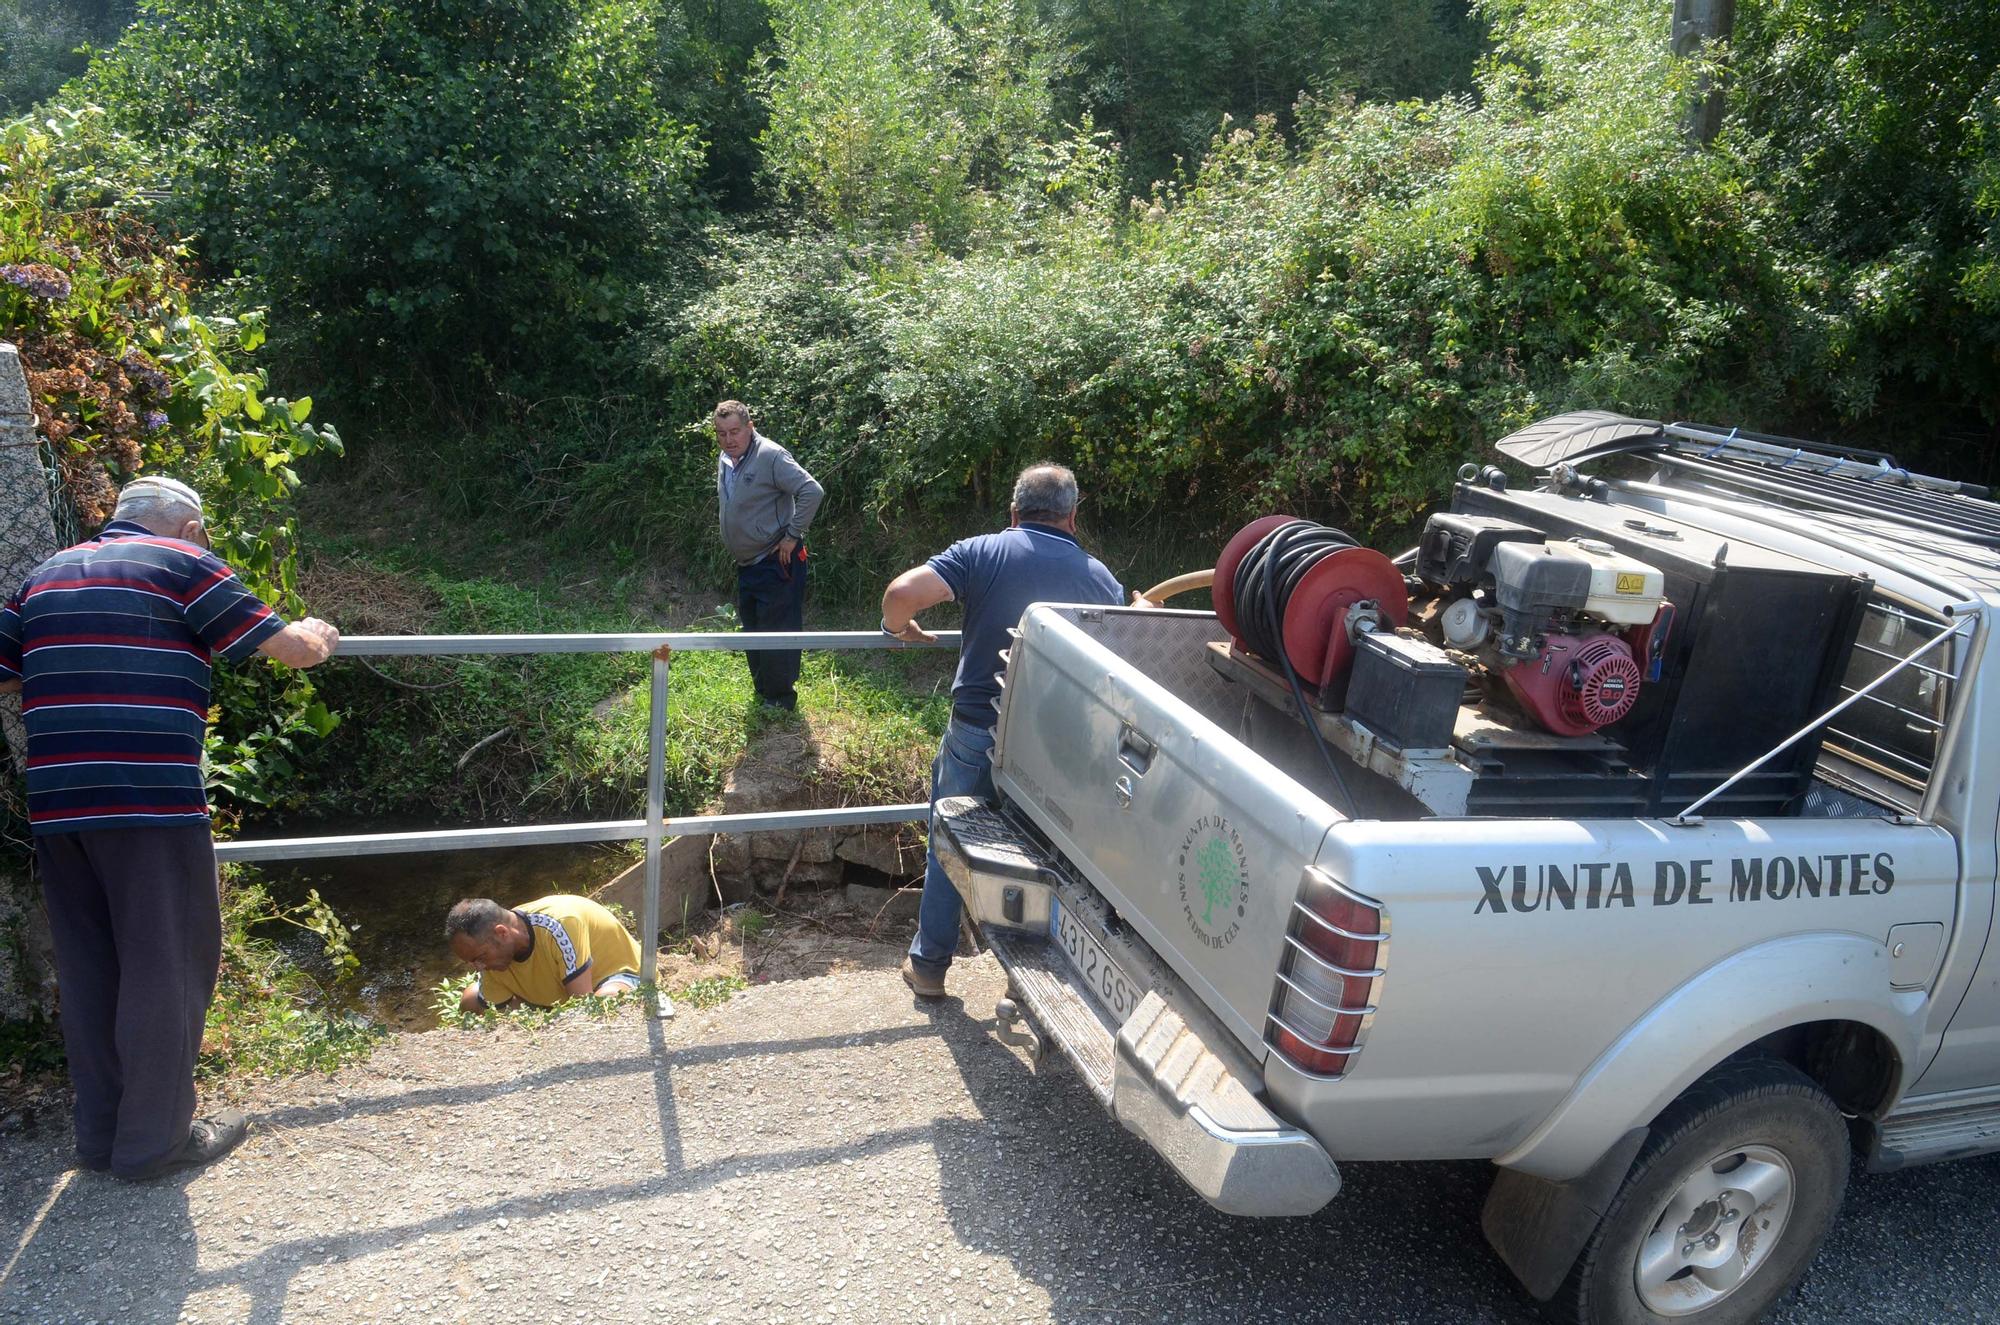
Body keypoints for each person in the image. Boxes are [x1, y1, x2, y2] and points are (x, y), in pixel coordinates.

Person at [0, 476, 340, 1180]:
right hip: (149, 801)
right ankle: (154, 1143)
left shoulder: (43, 576)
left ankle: (102, 1137)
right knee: (167, 965)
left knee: (92, 966)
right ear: (188, 529)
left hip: (60, 806)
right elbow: (287, 649)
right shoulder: (186, 564)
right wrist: (316, 634)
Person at [881, 463, 1135, 998]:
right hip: (1053, 748)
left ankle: (929, 968)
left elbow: (902, 592)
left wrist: (896, 628)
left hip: (978, 730)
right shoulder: (1098, 577)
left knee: (950, 839)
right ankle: (1027, 988)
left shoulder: (981, 551)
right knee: (1044, 862)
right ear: (1072, 516)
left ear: (1015, 511)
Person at [714, 400, 824, 711]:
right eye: (721, 434)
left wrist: (792, 536)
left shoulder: (771, 456)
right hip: (748, 564)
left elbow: (812, 491)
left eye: (735, 431)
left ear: (750, 427)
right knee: (753, 628)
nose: (729, 439)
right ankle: (764, 693)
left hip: (778, 561)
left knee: (776, 631)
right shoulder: (726, 458)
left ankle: (781, 701)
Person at [448, 894, 643, 1013]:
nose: (479, 967)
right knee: (471, 999)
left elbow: (583, 1003)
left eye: (480, 958)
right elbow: (495, 1014)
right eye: (472, 962)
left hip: (614, 978)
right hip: (556, 996)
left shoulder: (560, 923)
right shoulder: (490, 952)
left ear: (502, 933)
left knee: (603, 1003)